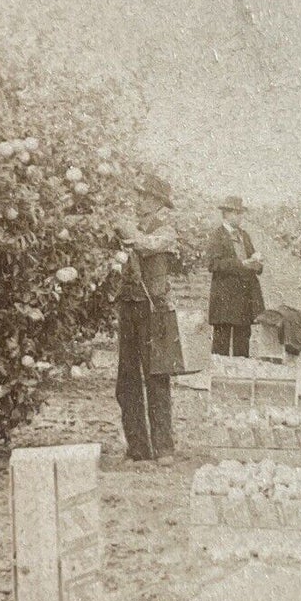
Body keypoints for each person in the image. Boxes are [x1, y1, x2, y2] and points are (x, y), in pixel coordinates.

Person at [116, 173, 180, 463]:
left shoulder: (166, 230)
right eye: (139, 195)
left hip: (154, 309)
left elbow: (145, 245)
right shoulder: (127, 228)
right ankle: (137, 447)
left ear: (156, 203)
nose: (138, 199)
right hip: (128, 307)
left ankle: (163, 446)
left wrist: (126, 231)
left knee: (156, 375)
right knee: (127, 378)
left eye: (144, 196)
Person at [206, 195, 265, 358]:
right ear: (226, 214)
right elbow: (213, 264)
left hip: (245, 297)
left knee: (242, 343)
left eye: (241, 213)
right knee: (221, 345)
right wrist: (241, 264)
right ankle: (219, 380)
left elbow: (252, 258)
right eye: (236, 213)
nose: (240, 216)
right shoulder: (217, 235)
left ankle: (242, 380)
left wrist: (257, 263)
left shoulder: (244, 235)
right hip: (225, 298)